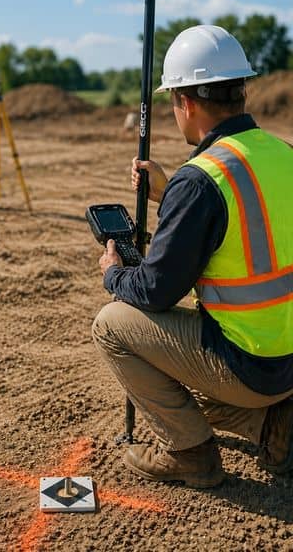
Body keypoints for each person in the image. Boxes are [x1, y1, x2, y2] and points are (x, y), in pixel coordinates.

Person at [92, 25, 293, 489]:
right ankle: (271, 426)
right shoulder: (280, 154)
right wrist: (174, 198)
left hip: (248, 366)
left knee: (113, 325)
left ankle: (189, 453)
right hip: (285, 359)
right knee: (178, 379)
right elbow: (250, 223)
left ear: (186, 102)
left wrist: (113, 274)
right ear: (240, 91)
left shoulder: (202, 178)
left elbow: (156, 291)